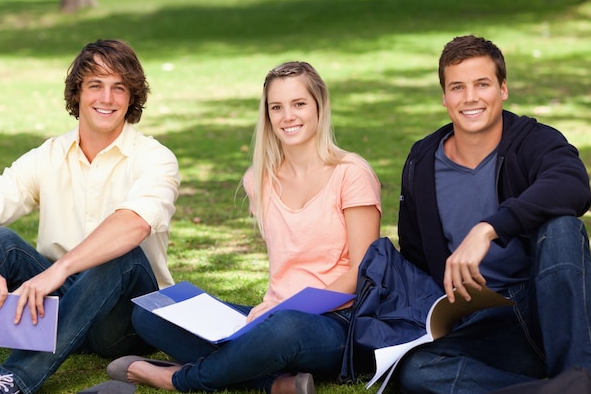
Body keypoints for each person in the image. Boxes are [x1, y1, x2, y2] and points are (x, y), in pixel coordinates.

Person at [104, 61, 382, 394]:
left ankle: (178, 378)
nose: (287, 116)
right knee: (152, 311)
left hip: (336, 323)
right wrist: (270, 312)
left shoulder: (351, 173)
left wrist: (282, 310)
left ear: (320, 106)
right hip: (268, 315)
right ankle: (276, 384)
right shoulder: (259, 180)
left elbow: (362, 273)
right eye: (276, 107)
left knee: (284, 329)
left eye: (299, 104)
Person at [391, 35, 591, 393]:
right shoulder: (421, 162)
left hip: (549, 303)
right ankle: (567, 388)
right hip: (485, 325)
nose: (470, 97)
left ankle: (576, 373)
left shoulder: (534, 141)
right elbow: (415, 256)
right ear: (444, 97)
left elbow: (573, 187)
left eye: (482, 84)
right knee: (416, 370)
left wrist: (487, 228)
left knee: (562, 228)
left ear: (502, 89)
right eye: (457, 87)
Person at [0, 39, 180, 394]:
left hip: (125, 321)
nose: (107, 98)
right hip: (62, 305)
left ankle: (11, 381)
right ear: (78, 94)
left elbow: (134, 223)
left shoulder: (155, 158)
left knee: (119, 254)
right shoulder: (50, 154)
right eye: (95, 85)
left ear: (132, 97)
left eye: (119, 88)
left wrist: (58, 270)